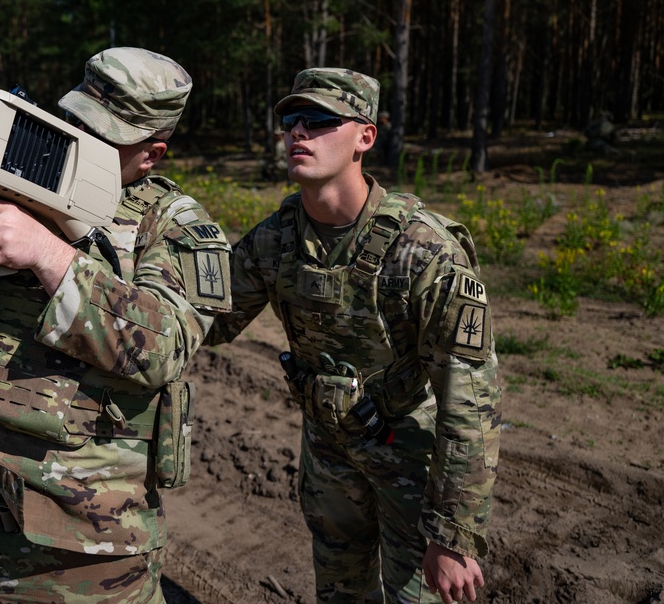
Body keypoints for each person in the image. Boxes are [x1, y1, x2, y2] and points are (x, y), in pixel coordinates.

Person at [0, 47, 231, 603]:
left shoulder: (174, 227)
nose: (80, 140)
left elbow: (164, 348)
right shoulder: (9, 182)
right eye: (76, 121)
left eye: (107, 136)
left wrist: (49, 255)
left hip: (85, 545)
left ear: (151, 154)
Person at [206, 68, 501, 604]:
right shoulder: (277, 239)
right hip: (329, 459)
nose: (299, 132)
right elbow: (209, 320)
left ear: (365, 136)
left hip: (410, 463)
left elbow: (472, 398)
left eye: (319, 120)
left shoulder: (423, 251)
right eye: (291, 120)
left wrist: (453, 535)